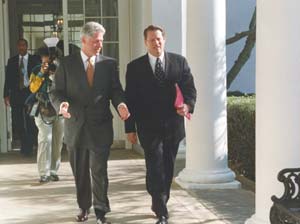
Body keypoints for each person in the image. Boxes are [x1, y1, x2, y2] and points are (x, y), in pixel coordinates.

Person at [50, 22, 130, 224]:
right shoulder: (66, 64)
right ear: (83, 41)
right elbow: (55, 91)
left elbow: (115, 90)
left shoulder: (109, 64)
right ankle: (84, 207)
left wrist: (120, 104)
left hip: (100, 127)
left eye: (101, 41)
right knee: (80, 172)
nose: (99, 45)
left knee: (99, 171)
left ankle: (101, 210)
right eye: (95, 41)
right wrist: (61, 105)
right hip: (75, 126)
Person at [125, 25, 197, 224]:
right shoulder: (135, 67)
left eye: (159, 39)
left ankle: (160, 200)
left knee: (168, 165)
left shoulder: (179, 62)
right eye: (151, 40)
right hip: (148, 127)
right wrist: (130, 128)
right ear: (145, 42)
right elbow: (129, 98)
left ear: (163, 39)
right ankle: (161, 208)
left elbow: (190, 89)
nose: (156, 43)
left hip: (173, 125)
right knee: (155, 165)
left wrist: (188, 106)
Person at [28, 42, 64, 183]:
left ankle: (53, 170)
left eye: (50, 57)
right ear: (41, 58)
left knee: (57, 141)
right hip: (42, 108)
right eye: (45, 57)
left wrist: (55, 75)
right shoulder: (37, 69)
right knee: (44, 140)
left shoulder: (61, 70)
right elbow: (32, 88)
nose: (47, 60)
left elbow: (65, 88)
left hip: (59, 109)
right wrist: (42, 73)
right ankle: (44, 172)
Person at [3, 38, 39, 156]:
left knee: (30, 120)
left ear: (27, 46)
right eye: (19, 45)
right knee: (18, 121)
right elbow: (7, 80)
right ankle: (24, 145)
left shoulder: (34, 59)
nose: (21, 47)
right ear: (18, 47)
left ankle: (30, 146)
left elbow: (39, 77)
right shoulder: (12, 61)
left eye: (23, 45)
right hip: (16, 94)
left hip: (30, 93)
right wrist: (6, 95)